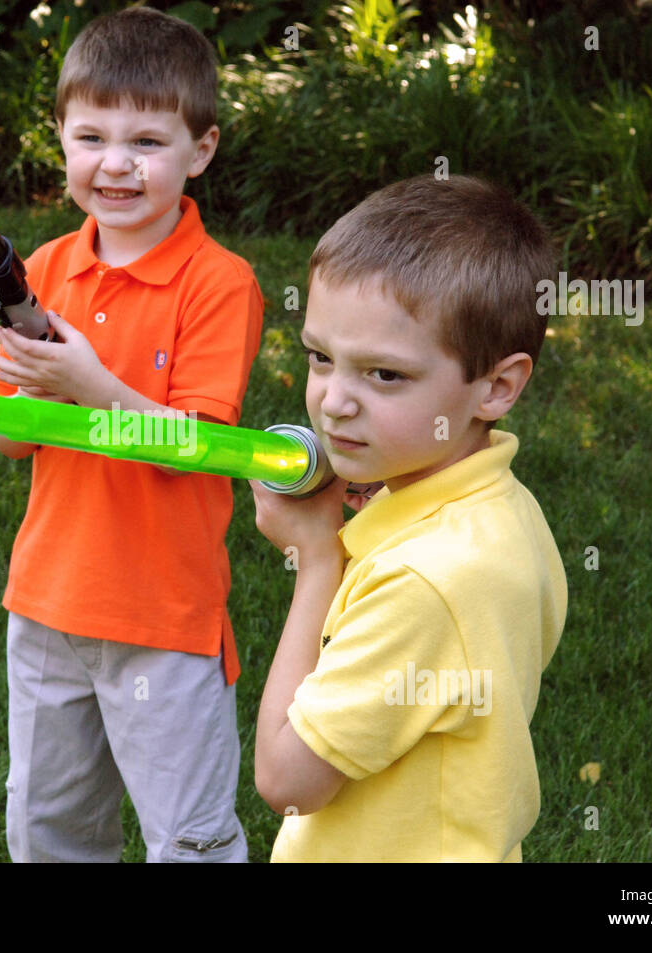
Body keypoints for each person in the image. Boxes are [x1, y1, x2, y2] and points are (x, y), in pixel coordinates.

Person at [0, 6, 263, 863]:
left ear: (199, 150)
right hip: (46, 604)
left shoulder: (221, 284)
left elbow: (198, 448)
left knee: (189, 839)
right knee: (48, 826)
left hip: (165, 617)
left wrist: (93, 387)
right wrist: (35, 392)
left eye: (146, 141)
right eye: (91, 136)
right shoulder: (45, 269)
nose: (115, 164)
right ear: (61, 140)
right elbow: (11, 442)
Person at [250, 174, 567, 861]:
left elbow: (288, 779)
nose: (334, 402)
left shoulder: (425, 580)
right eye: (321, 357)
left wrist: (316, 560)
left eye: (384, 375)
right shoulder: (498, 508)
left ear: (498, 386)